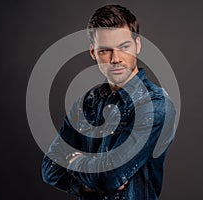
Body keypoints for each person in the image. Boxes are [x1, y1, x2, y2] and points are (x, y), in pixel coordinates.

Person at [42, 4, 176, 200]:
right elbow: (50, 170)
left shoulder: (155, 105)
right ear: (93, 53)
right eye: (105, 50)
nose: (116, 59)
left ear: (137, 45)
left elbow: (108, 177)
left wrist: (74, 162)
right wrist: (86, 184)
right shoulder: (86, 103)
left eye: (124, 47)